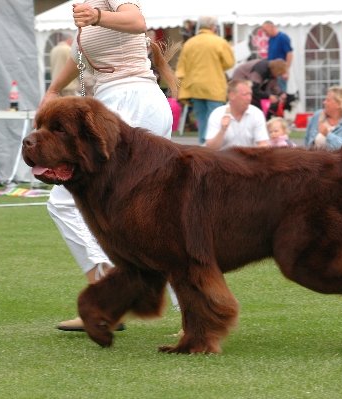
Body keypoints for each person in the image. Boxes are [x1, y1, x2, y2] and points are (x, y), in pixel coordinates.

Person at [38, 0, 180, 331]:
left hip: (127, 103)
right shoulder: (86, 8)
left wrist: (98, 15)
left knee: (63, 201)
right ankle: (190, 308)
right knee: (152, 212)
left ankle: (105, 300)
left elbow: (136, 19)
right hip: (136, 102)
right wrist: (54, 89)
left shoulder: (100, 6)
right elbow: (79, 57)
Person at [176, 15, 235, 144]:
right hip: (214, 86)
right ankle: (213, 147)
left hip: (194, 86)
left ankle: (203, 144)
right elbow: (229, 63)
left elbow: (181, 67)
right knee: (215, 118)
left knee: (201, 119)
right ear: (213, 27)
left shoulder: (189, 43)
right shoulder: (219, 42)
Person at [204, 79, 269, 150]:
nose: (249, 98)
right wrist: (222, 130)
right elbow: (211, 148)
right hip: (223, 158)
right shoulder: (217, 114)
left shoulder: (256, 113)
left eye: (250, 94)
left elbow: (263, 144)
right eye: (245, 94)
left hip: (249, 158)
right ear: (232, 96)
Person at [304, 86, 342, 150]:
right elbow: (306, 141)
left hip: (338, 160)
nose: (324, 102)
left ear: (339, 104)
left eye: (328, 100)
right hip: (314, 159)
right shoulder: (317, 115)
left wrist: (328, 134)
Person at [261, 20, 293, 92]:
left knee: (281, 92)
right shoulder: (271, 39)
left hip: (280, 72)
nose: (265, 33)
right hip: (272, 72)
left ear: (271, 27)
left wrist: (286, 71)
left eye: (265, 30)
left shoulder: (283, 37)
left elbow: (289, 54)